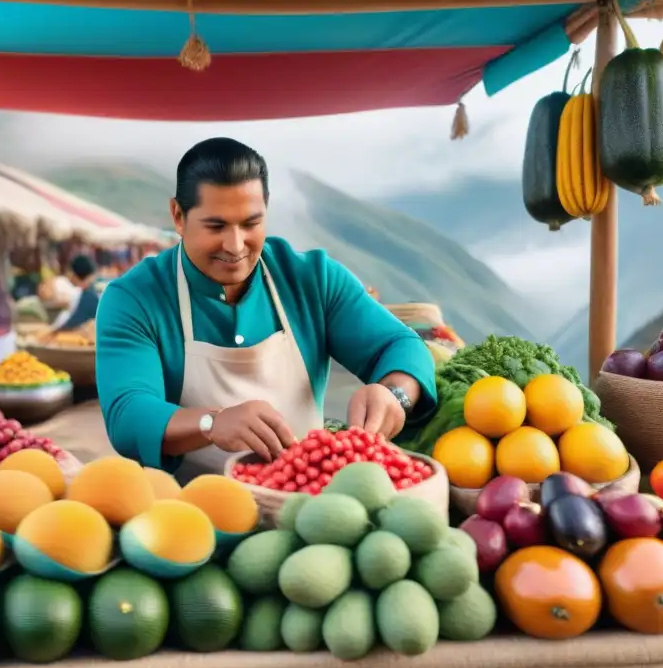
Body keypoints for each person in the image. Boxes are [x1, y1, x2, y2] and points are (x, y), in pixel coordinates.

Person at [95, 137, 437, 483]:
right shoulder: (134, 298)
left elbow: (400, 345)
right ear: (178, 216)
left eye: (250, 224)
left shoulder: (312, 279)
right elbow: (128, 413)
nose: (235, 246)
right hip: (188, 512)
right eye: (216, 226)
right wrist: (212, 422)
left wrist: (394, 394)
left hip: (306, 503)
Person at [40, 254, 100, 341]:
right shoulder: (89, 293)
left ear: (73, 274)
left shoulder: (83, 295)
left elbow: (72, 323)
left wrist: (51, 333)